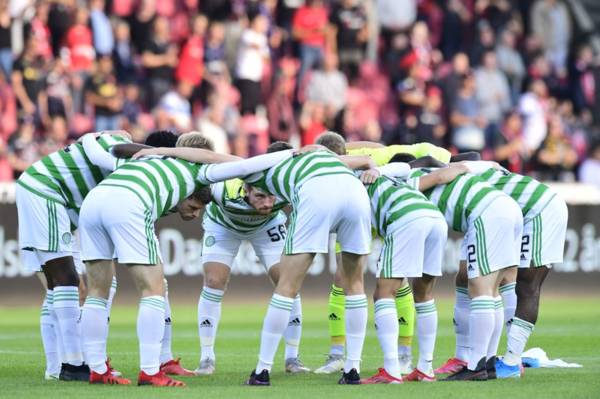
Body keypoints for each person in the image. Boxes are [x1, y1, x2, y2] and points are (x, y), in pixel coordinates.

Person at [79, 138, 297, 387]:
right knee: (153, 289)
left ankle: (96, 369)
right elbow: (245, 166)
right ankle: (150, 372)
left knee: (97, 291)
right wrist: (294, 154)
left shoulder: (149, 159)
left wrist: (87, 138)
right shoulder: (202, 172)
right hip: (129, 202)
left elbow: (98, 154)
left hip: (94, 200)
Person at [312, 133, 451, 375]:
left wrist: (378, 168)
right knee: (344, 279)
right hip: (413, 216)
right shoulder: (350, 165)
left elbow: (419, 157)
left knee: (389, 288)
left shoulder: (374, 158)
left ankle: (399, 360)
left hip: (395, 216)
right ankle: (339, 355)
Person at [15, 131, 133, 382]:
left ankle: (68, 365)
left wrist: (93, 135)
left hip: (68, 207)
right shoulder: (125, 156)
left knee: (70, 285)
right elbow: (97, 153)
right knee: (66, 281)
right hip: (46, 193)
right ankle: (72, 365)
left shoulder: (124, 154)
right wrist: (93, 136)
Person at [195, 141, 309, 376]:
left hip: (267, 228)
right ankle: (206, 358)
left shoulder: (287, 186)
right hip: (223, 226)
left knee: (288, 283)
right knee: (214, 281)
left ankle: (292, 358)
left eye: (271, 197)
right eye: (259, 196)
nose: (267, 203)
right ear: (245, 188)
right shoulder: (222, 188)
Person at [404, 163, 523, 381]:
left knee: (480, 288)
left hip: (487, 213)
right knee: (493, 290)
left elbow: (439, 176)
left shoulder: (410, 181)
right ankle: (487, 361)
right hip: (508, 208)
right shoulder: (445, 172)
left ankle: (476, 365)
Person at [455, 160, 568, 379]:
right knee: (507, 278)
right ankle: (503, 358)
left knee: (527, 286)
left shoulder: (465, 178)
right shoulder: (478, 170)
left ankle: (512, 362)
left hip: (540, 211)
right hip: (529, 211)